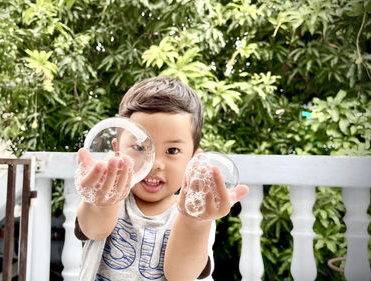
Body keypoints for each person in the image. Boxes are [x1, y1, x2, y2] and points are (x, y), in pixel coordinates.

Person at [74, 76, 249, 281]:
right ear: (117, 150)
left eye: (172, 150)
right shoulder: (109, 198)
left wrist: (193, 222)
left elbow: (180, 275)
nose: (156, 163)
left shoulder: (196, 212)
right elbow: (94, 228)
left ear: (194, 160)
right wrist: (101, 201)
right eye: (140, 147)